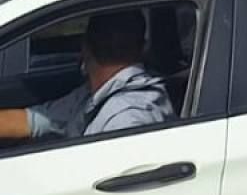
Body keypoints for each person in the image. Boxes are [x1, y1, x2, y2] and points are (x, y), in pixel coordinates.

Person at [0, 10, 175, 143]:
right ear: (142, 47)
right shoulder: (90, 96)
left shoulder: (127, 118)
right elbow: (31, 121)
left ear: (84, 48)